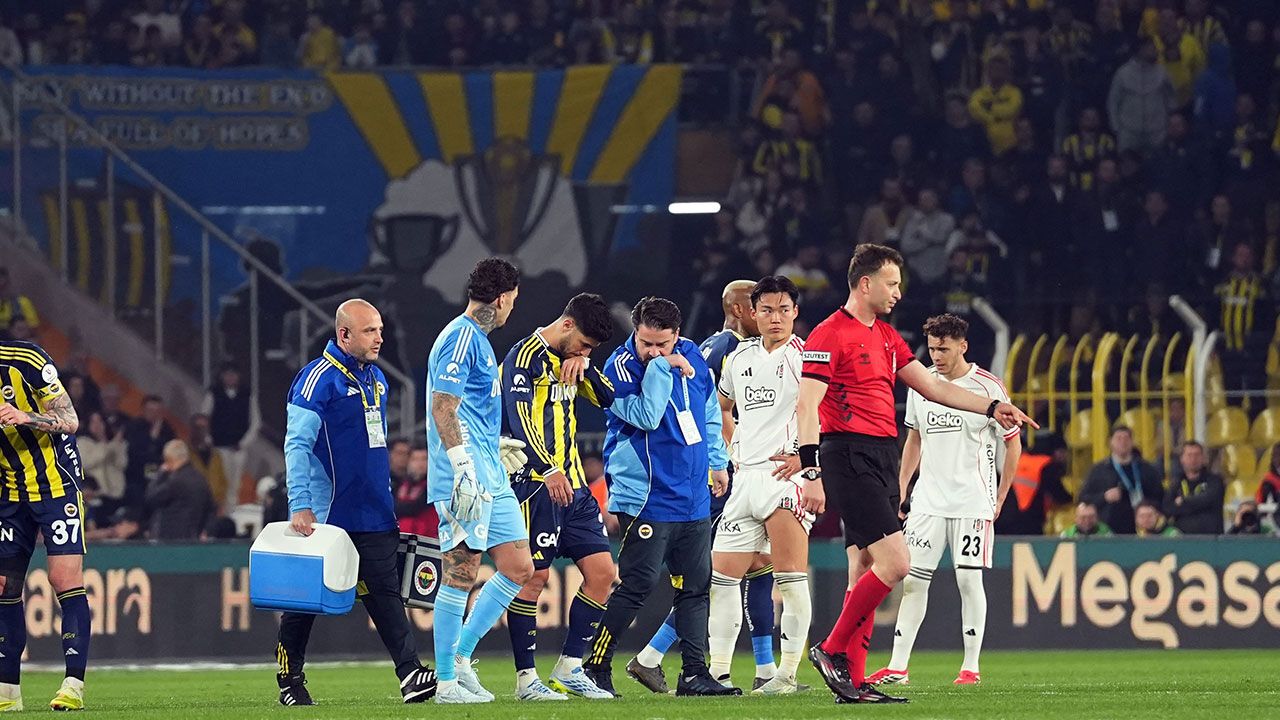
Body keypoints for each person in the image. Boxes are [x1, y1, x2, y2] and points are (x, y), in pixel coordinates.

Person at [798, 244, 1035, 704]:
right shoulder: (829, 333)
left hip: (882, 456)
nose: (898, 293)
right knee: (897, 564)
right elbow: (807, 405)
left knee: (866, 566)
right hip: (847, 454)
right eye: (891, 283)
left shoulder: (888, 337)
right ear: (865, 283)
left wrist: (992, 407)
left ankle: (855, 682)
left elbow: (933, 387)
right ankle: (831, 649)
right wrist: (810, 471)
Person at [276, 299, 436, 706]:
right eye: (370, 331)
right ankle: (289, 680)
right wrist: (300, 503)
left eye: (380, 329)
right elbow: (296, 445)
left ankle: (410, 674)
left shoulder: (377, 379)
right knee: (303, 601)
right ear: (344, 334)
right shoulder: (317, 379)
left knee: (385, 593)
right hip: (328, 513)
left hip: (375, 512)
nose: (379, 338)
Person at [583, 297, 738, 698]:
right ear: (635, 332)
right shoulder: (619, 368)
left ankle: (694, 674)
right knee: (639, 583)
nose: (652, 351)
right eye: (646, 343)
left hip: (692, 493)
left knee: (695, 587)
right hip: (646, 495)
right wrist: (661, 366)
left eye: (662, 344)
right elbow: (648, 416)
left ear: (678, 335)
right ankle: (595, 666)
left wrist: (718, 462)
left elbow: (708, 412)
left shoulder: (693, 356)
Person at [630, 280, 779, 693]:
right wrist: (727, 462)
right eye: (759, 307)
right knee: (723, 571)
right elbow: (715, 410)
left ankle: (762, 669)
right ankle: (662, 658)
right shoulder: (729, 348)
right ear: (741, 309)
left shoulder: (712, 346)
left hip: (726, 470)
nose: (766, 314)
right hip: (730, 473)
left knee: (752, 564)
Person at [869, 313, 1022, 688]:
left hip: (972, 501)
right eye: (933, 348)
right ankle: (898, 667)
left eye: (944, 348)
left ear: (962, 346)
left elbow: (1013, 443)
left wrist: (1001, 495)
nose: (936, 355)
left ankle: (970, 667)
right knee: (913, 582)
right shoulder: (922, 383)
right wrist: (902, 488)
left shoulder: (988, 387)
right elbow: (914, 440)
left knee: (968, 581)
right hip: (928, 502)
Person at [500, 293, 618, 701]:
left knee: (603, 574)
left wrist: (587, 366)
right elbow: (518, 419)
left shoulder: (576, 361)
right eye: (583, 344)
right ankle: (526, 680)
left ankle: (570, 668)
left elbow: (608, 398)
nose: (584, 351)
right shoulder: (524, 356)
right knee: (534, 578)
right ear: (567, 325)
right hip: (536, 483)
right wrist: (547, 467)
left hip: (576, 488)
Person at [426, 259, 532, 704]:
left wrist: (494, 444)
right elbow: (443, 406)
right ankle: (446, 682)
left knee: (519, 567)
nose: (513, 308)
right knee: (461, 572)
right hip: (463, 478)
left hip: (490, 473)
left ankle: (461, 657)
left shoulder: (479, 341)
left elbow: (468, 411)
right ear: (503, 298)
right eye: (514, 300)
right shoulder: (460, 337)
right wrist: (462, 465)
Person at [706, 276, 813, 695]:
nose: (775, 318)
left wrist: (808, 459)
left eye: (784, 309)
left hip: (783, 479)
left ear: (795, 313)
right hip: (744, 479)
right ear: (753, 313)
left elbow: (827, 408)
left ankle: (785, 676)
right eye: (767, 310)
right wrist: (733, 449)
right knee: (722, 579)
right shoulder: (739, 357)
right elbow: (722, 406)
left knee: (790, 579)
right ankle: (718, 673)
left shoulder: (806, 356)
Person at [0, 339, 91, 710]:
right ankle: (7, 692)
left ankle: (73, 685)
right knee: (4, 584)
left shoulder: (25, 359)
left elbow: (71, 420)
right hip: (9, 491)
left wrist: (26, 417)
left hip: (56, 485)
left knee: (63, 578)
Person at [1080, 426, 1165, 535]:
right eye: (1118, 438)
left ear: (1132, 442)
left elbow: (1160, 496)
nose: (1123, 442)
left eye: (1126, 438)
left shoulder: (1146, 469)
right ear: (1110, 442)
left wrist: (1148, 506)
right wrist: (1104, 497)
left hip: (1142, 529)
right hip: (1108, 530)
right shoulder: (1099, 470)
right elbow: (1083, 498)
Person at [201, 362, 259, 510]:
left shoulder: (247, 395)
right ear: (221, 376)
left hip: (238, 448)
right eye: (227, 374)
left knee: (235, 485)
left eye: (233, 374)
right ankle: (216, 512)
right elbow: (204, 418)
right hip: (219, 447)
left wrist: (244, 442)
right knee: (219, 482)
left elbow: (255, 422)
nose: (230, 378)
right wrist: (208, 439)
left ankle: (231, 513)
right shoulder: (214, 393)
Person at [144, 440, 215, 540]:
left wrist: (160, 474)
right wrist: (206, 531)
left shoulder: (175, 481)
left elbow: (151, 497)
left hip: (170, 539)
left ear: (170, 459)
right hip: (193, 538)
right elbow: (211, 509)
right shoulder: (201, 479)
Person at [1163, 441, 1225, 535]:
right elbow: (1167, 508)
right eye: (1189, 455)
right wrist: (1196, 504)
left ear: (1203, 458)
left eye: (1197, 455)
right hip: (1182, 538)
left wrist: (1183, 502)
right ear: (1182, 459)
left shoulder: (1215, 481)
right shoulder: (1176, 483)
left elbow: (1207, 499)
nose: (1193, 459)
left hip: (1210, 538)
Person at [0, 268, 38, 336]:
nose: (2, 290)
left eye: (4, 286)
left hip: (16, 340)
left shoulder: (23, 302)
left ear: (9, 284)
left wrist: (20, 330)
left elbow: (33, 329)